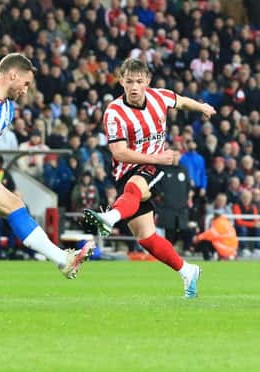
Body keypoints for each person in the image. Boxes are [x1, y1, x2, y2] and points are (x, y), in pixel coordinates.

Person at [83, 58, 216, 298]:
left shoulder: (159, 97)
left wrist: (202, 107)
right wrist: (155, 158)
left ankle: (109, 217)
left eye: (139, 81)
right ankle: (188, 270)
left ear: (148, 82)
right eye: (129, 81)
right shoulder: (114, 112)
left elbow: (181, 101)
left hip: (154, 166)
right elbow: (119, 152)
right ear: (121, 81)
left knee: (135, 188)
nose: (134, 87)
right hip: (128, 168)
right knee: (145, 237)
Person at [0, 53, 93, 278]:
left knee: (12, 207)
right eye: (25, 84)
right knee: (14, 204)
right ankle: (63, 259)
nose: (26, 91)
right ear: (12, 75)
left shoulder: (7, 111)